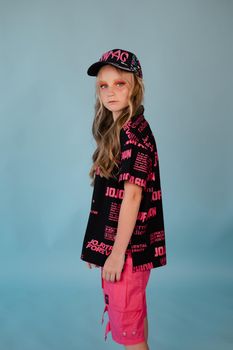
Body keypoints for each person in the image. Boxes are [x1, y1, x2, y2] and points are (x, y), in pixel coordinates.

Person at [80, 48, 167, 350]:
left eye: (120, 83)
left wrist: (115, 254)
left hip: (128, 251)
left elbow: (131, 197)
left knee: (128, 330)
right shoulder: (125, 130)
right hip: (130, 247)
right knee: (134, 319)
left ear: (135, 86)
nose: (110, 91)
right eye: (104, 85)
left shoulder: (133, 136)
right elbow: (119, 188)